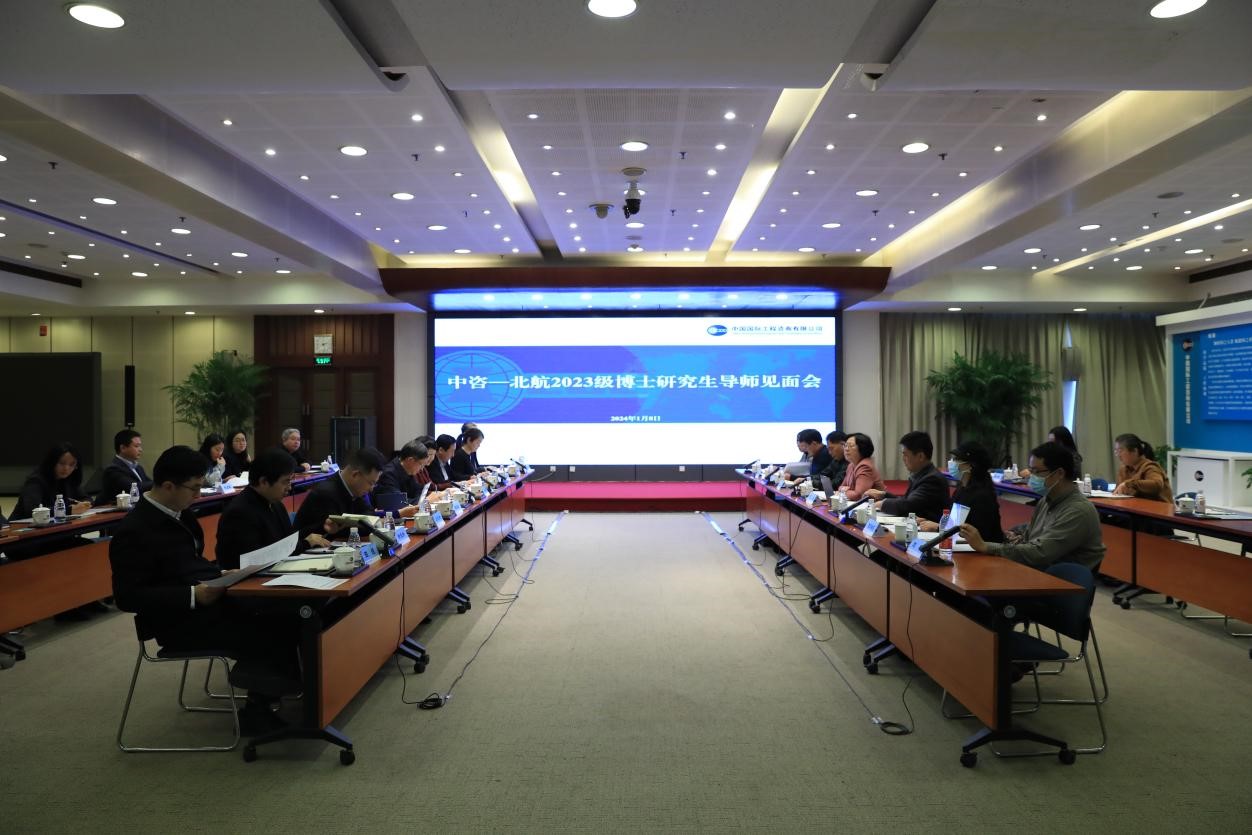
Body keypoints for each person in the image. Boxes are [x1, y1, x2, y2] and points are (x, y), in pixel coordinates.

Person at [108, 445, 299, 734]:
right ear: (168, 486)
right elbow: (127, 597)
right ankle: (258, 709)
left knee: (286, 611)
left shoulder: (180, 512)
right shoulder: (134, 531)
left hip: (208, 602)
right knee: (269, 621)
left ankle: (276, 693)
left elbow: (190, 564)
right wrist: (193, 595)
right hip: (177, 621)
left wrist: (220, 575)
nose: (199, 495)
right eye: (194, 488)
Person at [959, 441, 1105, 571]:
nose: (1031, 476)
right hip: (1036, 572)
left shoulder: (1078, 510)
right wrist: (1012, 536)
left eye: (1036, 471)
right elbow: (1030, 539)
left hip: (1060, 583)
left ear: (1059, 473)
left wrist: (985, 546)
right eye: (1031, 471)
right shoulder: (1046, 501)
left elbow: (1039, 553)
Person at [215, 448, 331, 570]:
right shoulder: (239, 512)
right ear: (264, 481)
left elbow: (288, 540)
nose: (289, 487)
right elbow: (255, 560)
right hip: (251, 578)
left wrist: (322, 527)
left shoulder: (275, 503)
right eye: (285, 482)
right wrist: (306, 543)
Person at [293, 447, 385, 541]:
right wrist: (369, 524)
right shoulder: (325, 494)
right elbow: (338, 533)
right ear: (355, 475)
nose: (371, 489)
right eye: (371, 483)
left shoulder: (356, 490)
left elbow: (370, 515)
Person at [920, 440, 1003, 543]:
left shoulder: (982, 496)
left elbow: (977, 535)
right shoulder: (962, 488)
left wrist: (938, 527)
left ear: (970, 465)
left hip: (982, 549)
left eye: (956, 459)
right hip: (961, 545)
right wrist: (927, 522)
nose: (951, 462)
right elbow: (954, 522)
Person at [864, 431, 948, 522]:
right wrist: (883, 495)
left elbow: (908, 505)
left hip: (927, 529)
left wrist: (881, 504)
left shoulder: (932, 479)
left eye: (905, 454)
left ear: (920, 456)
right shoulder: (921, 474)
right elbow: (906, 500)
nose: (903, 459)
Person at [12, 442, 93, 519]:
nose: (66, 468)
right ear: (52, 462)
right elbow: (32, 511)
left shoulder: (69, 479)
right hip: (21, 526)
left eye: (71, 465)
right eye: (62, 463)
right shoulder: (35, 481)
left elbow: (87, 498)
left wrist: (85, 504)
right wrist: (68, 510)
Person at [95, 429, 153, 505]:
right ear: (123, 448)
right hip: (112, 510)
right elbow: (134, 488)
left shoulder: (138, 468)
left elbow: (150, 484)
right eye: (136, 446)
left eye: (140, 446)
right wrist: (161, 482)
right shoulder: (112, 469)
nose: (140, 449)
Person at [1113, 433, 1173, 503]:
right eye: (1116, 451)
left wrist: (1130, 484)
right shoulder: (1123, 469)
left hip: (1157, 508)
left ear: (1135, 451)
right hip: (1132, 507)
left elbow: (1157, 484)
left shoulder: (1150, 466)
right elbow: (1118, 492)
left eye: (1120, 451)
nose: (1118, 455)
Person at [376, 443, 428, 516]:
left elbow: (418, 491)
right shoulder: (388, 474)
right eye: (421, 464)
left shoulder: (409, 471)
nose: (421, 469)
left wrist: (423, 499)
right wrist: (425, 500)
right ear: (410, 460)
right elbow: (399, 503)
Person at [838, 433, 885, 501]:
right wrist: (843, 490)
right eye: (845, 445)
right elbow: (841, 487)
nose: (846, 449)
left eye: (851, 446)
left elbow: (859, 495)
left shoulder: (865, 466)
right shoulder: (851, 465)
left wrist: (843, 492)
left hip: (872, 505)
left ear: (862, 448)